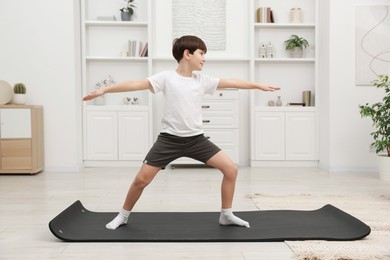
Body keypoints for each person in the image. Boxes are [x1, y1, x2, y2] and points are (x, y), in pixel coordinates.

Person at [83, 35, 280, 230]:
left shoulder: (202, 80)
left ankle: (226, 215)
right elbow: (136, 84)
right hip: (169, 140)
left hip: (197, 140)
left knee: (231, 169)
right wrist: (105, 90)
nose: (204, 58)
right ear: (187, 54)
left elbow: (231, 82)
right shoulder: (166, 78)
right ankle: (123, 216)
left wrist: (258, 86)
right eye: (201, 53)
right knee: (141, 180)